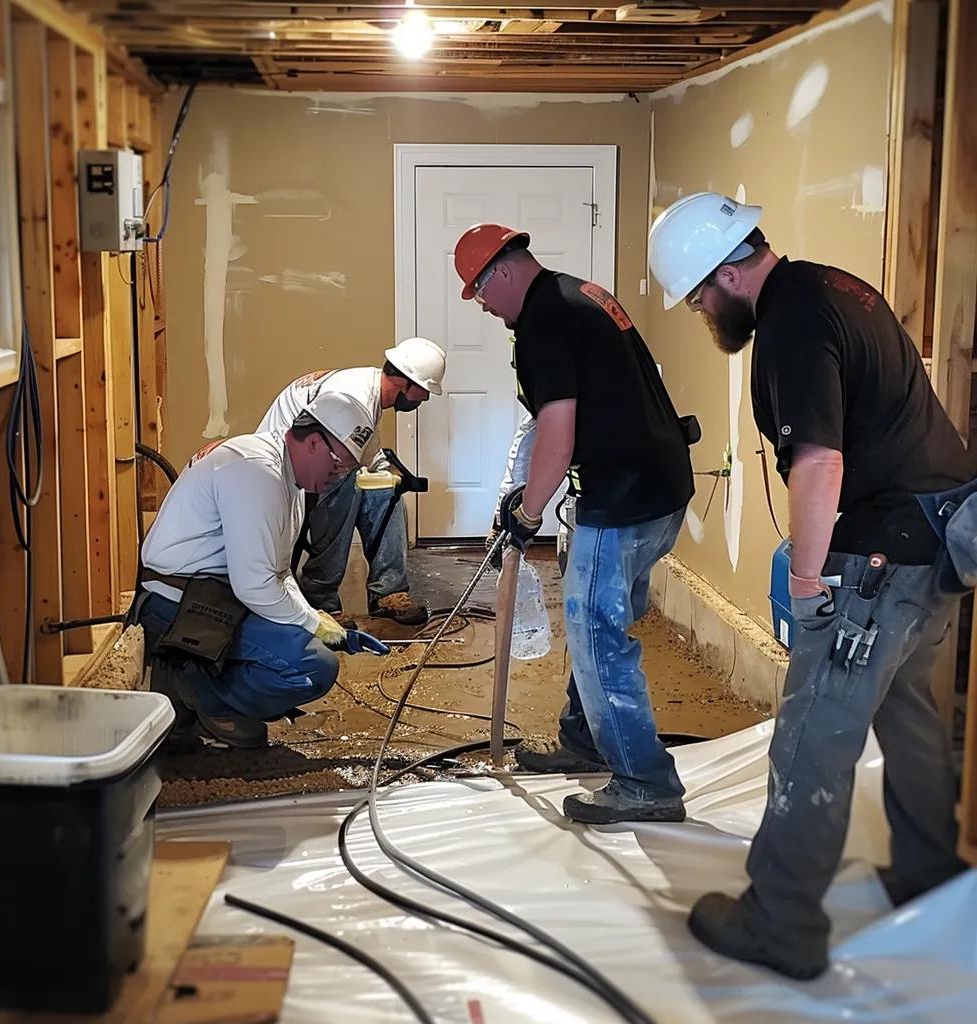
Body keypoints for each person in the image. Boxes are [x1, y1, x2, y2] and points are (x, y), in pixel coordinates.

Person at [649, 191, 973, 979]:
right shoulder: (835, 286)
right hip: (939, 541)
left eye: (697, 297)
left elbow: (820, 461)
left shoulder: (791, 323)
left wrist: (805, 579)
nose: (701, 311)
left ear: (727, 274)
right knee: (910, 715)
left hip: (879, 559)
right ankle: (930, 872)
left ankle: (781, 922)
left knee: (812, 732)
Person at [454, 223, 696, 824]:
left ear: (501, 271)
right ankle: (585, 738)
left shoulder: (544, 321)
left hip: (622, 499)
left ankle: (645, 783)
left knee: (596, 636)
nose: (481, 305)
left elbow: (558, 434)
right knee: (605, 622)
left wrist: (528, 513)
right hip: (661, 487)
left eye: (479, 291)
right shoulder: (580, 294)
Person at [137, 392, 374, 749]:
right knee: (312, 666)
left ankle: (196, 681)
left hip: (215, 594)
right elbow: (255, 586)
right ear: (314, 442)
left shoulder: (290, 481)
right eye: (340, 465)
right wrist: (312, 624)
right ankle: (201, 694)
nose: (339, 476)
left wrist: (314, 618)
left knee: (305, 645)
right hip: (176, 603)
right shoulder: (256, 470)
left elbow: (278, 573)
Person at [259, 337, 446, 628]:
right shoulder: (353, 395)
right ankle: (320, 600)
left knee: (387, 492)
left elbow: (366, 451)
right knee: (345, 486)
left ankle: (389, 592)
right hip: (286, 469)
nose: (425, 399)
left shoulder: (369, 394)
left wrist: (389, 475)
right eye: (425, 390)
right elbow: (328, 459)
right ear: (405, 382)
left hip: (313, 464)